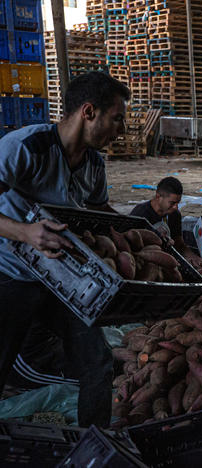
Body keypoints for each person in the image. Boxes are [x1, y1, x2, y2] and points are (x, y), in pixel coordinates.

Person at [0, 71, 130, 427]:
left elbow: (101, 212)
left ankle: (95, 446)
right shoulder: (27, 147)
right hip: (11, 276)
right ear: (89, 112)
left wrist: (141, 232)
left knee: (97, 364)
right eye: (116, 119)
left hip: (68, 283)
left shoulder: (94, 165)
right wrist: (26, 233)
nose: (120, 130)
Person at [130, 176, 202, 265]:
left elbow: (179, 244)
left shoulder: (174, 214)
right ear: (158, 196)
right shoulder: (141, 214)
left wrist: (195, 258)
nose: (176, 207)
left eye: (178, 203)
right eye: (172, 203)